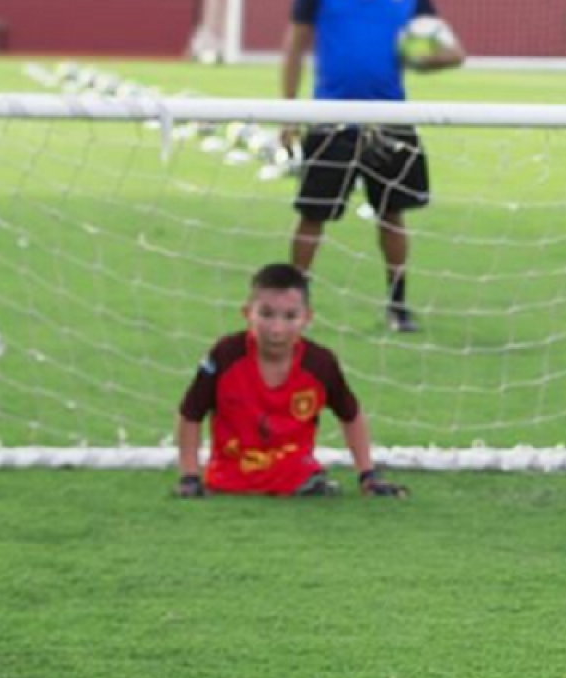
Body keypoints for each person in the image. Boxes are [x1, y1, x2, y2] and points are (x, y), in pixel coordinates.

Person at [281, 0, 466, 333]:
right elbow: (295, 44)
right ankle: (294, 302)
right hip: (330, 121)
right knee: (312, 214)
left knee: (392, 215)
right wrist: (288, 112)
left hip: (391, 121)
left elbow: (454, 53)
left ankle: (398, 306)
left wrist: (423, 60)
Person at [175, 263, 408, 499]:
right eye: (266, 314)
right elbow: (190, 413)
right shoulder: (225, 355)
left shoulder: (320, 364)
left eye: (290, 316)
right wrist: (189, 477)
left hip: (302, 486)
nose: (277, 329)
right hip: (229, 485)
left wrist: (367, 475)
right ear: (247, 313)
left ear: (307, 317)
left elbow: (350, 415)